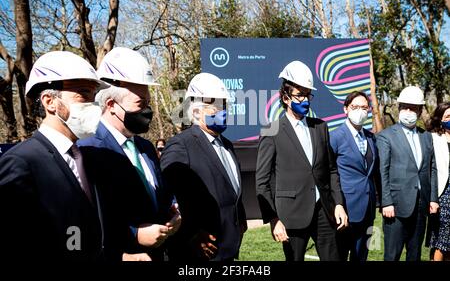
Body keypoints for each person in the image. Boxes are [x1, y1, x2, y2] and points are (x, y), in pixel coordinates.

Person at [0, 51, 107, 261]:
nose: (94, 105)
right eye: (83, 93)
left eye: (95, 97)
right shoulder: (20, 163)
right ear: (50, 101)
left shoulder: (87, 157)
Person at [78, 47, 181, 261]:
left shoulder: (145, 147)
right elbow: (86, 218)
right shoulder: (88, 150)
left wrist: (174, 213)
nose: (147, 111)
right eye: (140, 104)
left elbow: (161, 194)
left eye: (148, 103)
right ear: (111, 105)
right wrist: (135, 234)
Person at [255, 60, 348, 261]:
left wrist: (338, 204)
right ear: (286, 98)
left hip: (324, 211)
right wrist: (273, 219)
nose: (305, 99)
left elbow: (331, 170)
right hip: (291, 214)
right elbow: (262, 181)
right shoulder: (271, 130)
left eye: (308, 94)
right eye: (300, 95)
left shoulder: (320, 127)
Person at [160, 72, 247, 261]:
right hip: (200, 255)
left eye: (224, 105)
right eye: (215, 106)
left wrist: (240, 219)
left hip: (228, 251)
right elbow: (167, 198)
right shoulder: (181, 145)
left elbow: (232, 190)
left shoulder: (227, 145)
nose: (222, 111)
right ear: (197, 111)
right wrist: (190, 234)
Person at [377, 86, 439, 261]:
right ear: (399, 108)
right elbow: (383, 171)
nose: (408, 111)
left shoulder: (426, 137)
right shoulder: (386, 136)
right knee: (392, 254)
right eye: (405, 107)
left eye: (413, 108)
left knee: (415, 254)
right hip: (395, 207)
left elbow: (432, 169)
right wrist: (386, 202)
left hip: (421, 205)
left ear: (420, 111)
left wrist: (433, 198)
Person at [330, 91, 380, 261]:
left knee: (361, 257)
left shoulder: (371, 138)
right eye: (355, 107)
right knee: (340, 255)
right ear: (346, 109)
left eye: (364, 107)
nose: (360, 111)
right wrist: (337, 204)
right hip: (345, 209)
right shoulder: (335, 137)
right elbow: (330, 173)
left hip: (368, 209)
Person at [427, 102, 450, 261]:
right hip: (443, 193)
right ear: (440, 119)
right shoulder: (434, 138)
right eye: (448, 116)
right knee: (442, 238)